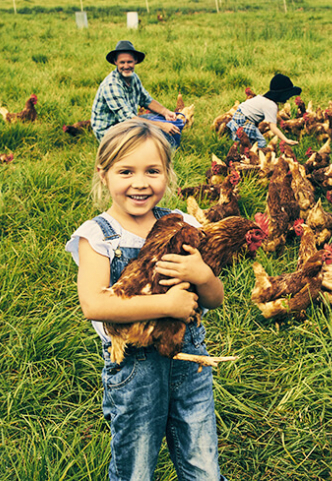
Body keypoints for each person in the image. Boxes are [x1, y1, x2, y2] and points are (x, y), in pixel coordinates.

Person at [66, 118, 226, 481]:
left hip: (190, 364)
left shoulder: (183, 223)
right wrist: (167, 306)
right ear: (104, 174)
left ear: (167, 173)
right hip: (134, 369)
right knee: (135, 467)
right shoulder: (99, 237)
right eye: (126, 171)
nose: (140, 183)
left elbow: (214, 299)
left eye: (152, 171)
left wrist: (202, 275)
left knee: (202, 462)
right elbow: (95, 305)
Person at [92, 40, 186, 148]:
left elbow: (146, 100)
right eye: (122, 62)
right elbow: (128, 120)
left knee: (156, 119)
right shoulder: (111, 85)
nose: (126, 66)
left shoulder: (133, 77)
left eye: (129, 62)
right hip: (110, 131)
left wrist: (165, 112)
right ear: (115, 62)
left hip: (126, 124)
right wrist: (161, 126)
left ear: (135, 61)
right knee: (149, 138)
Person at [226, 73, 301, 148]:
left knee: (249, 139)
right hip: (244, 119)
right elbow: (273, 128)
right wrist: (286, 140)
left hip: (239, 114)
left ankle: (236, 140)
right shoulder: (271, 105)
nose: (288, 98)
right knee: (260, 143)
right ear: (282, 95)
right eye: (288, 95)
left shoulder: (262, 98)